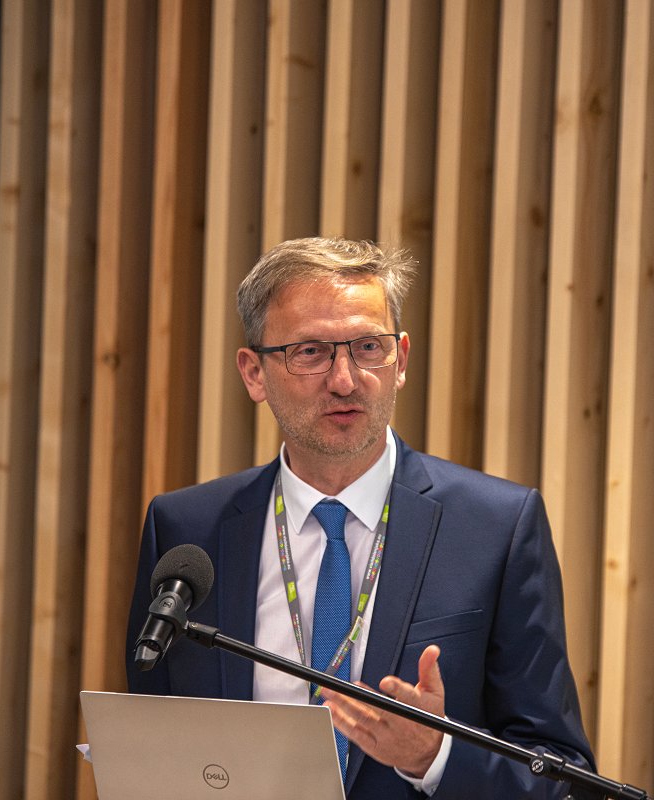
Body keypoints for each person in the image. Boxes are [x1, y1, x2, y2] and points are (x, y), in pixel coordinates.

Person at [126, 237, 595, 798]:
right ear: (254, 373)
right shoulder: (187, 532)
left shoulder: (497, 529)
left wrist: (433, 757)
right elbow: (152, 741)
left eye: (368, 347)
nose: (345, 380)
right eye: (310, 352)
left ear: (402, 360)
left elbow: (564, 775)